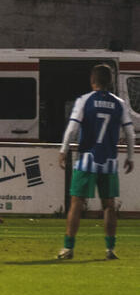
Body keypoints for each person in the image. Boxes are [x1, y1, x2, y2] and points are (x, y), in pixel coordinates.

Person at [57, 64, 135, 260]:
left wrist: (63, 150)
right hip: (109, 161)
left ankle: (68, 248)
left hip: (86, 160)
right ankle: (110, 250)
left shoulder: (85, 100)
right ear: (110, 82)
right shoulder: (119, 103)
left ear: (92, 80)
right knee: (109, 205)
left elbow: (72, 129)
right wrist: (130, 156)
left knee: (76, 203)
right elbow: (130, 132)